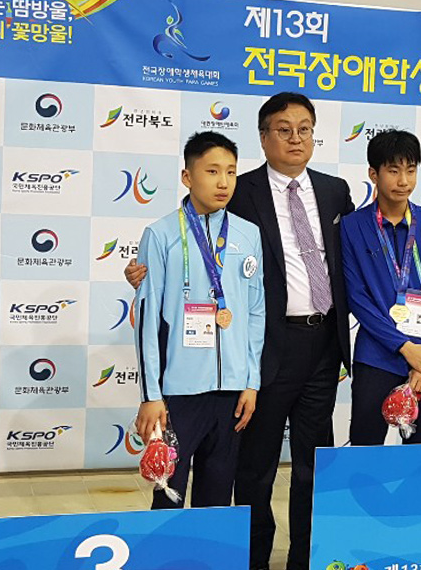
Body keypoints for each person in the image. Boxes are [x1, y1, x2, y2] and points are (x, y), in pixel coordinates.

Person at [126, 92, 353, 570]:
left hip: (320, 347)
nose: (296, 138)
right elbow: (183, 271)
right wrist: (143, 274)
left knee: (312, 465)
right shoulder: (242, 193)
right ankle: (249, 559)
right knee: (251, 468)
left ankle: (305, 559)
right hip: (266, 351)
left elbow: (353, 257)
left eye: (305, 129)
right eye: (284, 129)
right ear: (264, 137)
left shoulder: (336, 191)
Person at [133, 131, 265, 509]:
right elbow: (147, 321)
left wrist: (251, 382)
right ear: (187, 177)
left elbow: (255, 313)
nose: (223, 182)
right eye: (212, 171)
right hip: (178, 394)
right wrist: (151, 396)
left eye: (231, 172)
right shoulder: (160, 235)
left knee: (217, 498)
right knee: (168, 494)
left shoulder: (248, 234)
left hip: (232, 393)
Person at [341, 130, 421, 445]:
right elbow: (358, 298)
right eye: (393, 171)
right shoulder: (352, 226)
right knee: (366, 451)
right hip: (376, 357)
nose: (403, 180)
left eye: (410, 170)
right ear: (373, 174)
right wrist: (405, 348)